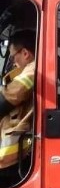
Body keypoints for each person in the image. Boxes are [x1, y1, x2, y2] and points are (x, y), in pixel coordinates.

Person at [0, 29, 36, 179]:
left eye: (14, 57)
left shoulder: (32, 70)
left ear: (25, 53)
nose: (14, 63)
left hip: (12, 156)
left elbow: (8, 98)